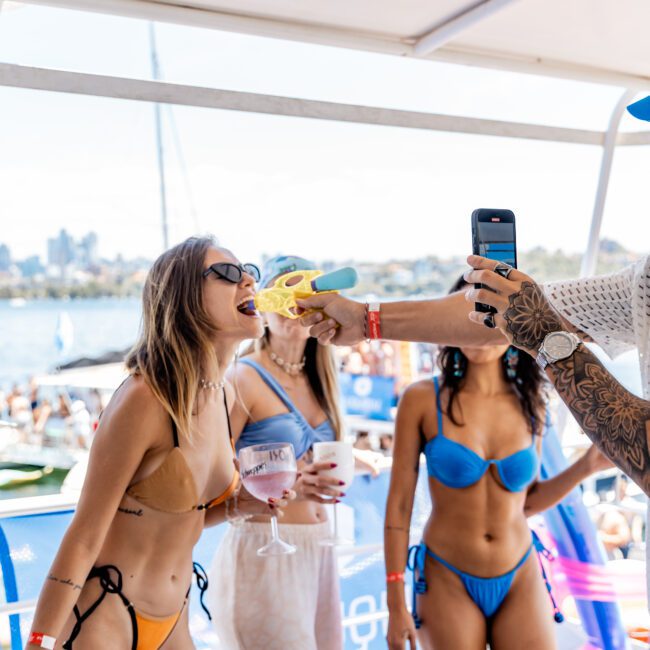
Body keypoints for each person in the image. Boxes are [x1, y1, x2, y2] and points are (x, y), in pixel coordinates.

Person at [27, 237, 293, 650]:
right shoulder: (146, 398)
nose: (247, 280)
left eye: (249, 272)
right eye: (226, 273)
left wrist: (241, 506)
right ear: (183, 296)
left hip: (175, 617)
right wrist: (39, 642)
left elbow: (179, 517)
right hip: (106, 615)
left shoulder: (221, 395)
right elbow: (84, 536)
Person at [384, 277, 612, 650]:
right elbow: (398, 508)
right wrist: (395, 602)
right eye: (467, 315)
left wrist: (585, 467)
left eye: (489, 316)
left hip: (519, 570)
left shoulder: (532, 402)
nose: (478, 326)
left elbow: (527, 502)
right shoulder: (422, 399)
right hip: (446, 574)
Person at [208, 255, 379, 650]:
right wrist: (290, 481)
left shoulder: (322, 377)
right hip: (265, 551)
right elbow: (213, 469)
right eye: (282, 293)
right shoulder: (242, 377)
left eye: (304, 295)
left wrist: (352, 460)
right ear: (264, 306)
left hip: (319, 548)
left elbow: (316, 450)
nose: (294, 307)